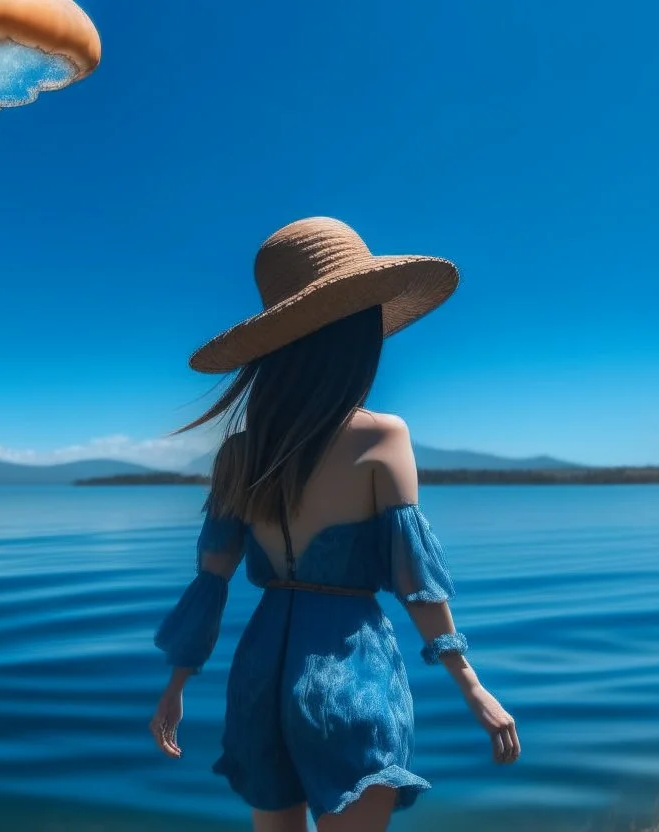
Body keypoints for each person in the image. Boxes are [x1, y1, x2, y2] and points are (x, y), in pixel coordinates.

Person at [149, 217, 520, 832]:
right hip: (351, 670)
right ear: (353, 333)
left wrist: (176, 685)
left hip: (259, 673)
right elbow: (414, 579)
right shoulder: (383, 436)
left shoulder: (239, 454)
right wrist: (472, 686)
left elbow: (210, 582)